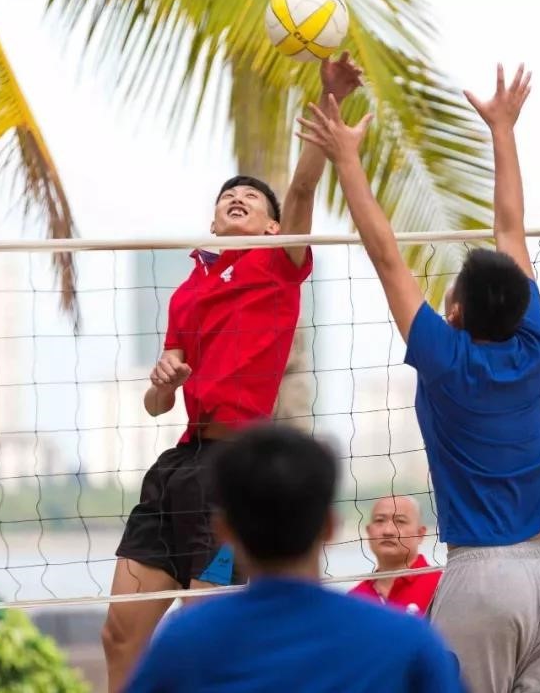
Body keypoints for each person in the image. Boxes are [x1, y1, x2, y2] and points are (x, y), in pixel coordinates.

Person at [297, 63, 540, 691]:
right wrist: (503, 130)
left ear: (455, 315)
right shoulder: (533, 343)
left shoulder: (446, 359)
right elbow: (510, 229)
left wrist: (347, 159)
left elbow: (385, 254)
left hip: (486, 577)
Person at [102, 52, 365, 692]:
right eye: (229, 196)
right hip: (179, 465)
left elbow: (301, 190)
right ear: (214, 221)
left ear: (273, 227)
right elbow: (157, 405)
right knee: (118, 633)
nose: (238, 197)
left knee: (206, 632)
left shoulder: (277, 265)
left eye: (252, 197)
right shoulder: (186, 291)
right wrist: (162, 384)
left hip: (231, 472)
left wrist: (330, 98)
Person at [123, 423, 466, 692]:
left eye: (399, 522)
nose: (389, 530)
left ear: (223, 532)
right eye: (382, 521)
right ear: (330, 527)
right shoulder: (408, 641)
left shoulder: (185, 641)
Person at [349, 495, 441, 615]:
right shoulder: (355, 597)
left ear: (420, 533)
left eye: (400, 521)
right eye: (379, 520)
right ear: (369, 531)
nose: (388, 531)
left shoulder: (441, 586)